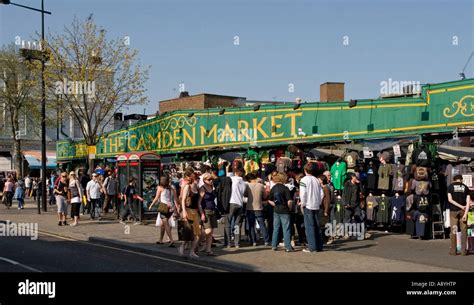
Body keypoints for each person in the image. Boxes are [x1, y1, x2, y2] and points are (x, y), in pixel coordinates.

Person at [178, 169, 204, 258]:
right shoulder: (187, 187)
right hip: (188, 210)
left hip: (195, 211)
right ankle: (182, 246)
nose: (194, 177)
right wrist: (184, 211)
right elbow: (183, 200)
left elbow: (199, 200)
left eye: (194, 176)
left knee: (197, 233)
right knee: (188, 232)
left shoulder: (196, 186)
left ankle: (192, 252)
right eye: (192, 175)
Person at [299, 164, 324, 253]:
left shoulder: (303, 180)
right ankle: (319, 246)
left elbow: (303, 193)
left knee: (309, 227)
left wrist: (303, 202)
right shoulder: (316, 180)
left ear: (305, 170)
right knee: (317, 226)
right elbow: (321, 193)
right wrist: (319, 202)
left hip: (308, 205)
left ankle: (312, 247)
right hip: (316, 205)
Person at [149, 176, 178, 247]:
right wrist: (177, 209)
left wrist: (151, 205)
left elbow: (156, 197)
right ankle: (160, 240)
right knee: (162, 225)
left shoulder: (160, 188)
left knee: (166, 224)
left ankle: (171, 240)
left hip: (164, 208)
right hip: (171, 208)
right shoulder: (172, 188)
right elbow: (175, 199)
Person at [268, 172, 293, 252]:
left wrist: (275, 205)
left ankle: (274, 245)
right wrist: (289, 208)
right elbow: (289, 201)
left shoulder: (273, 188)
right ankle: (288, 247)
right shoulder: (285, 188)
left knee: (276, 228)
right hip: (285, 210)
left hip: (276, 210)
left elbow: (269, 200)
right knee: (286, 229)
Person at [447, 175, 471, 256]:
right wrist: (465, 213)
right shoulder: (466, 187)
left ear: (454, 180)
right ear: (461, 180)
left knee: (453, 230)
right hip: (463, 212)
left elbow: (450, 200)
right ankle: (463, 251)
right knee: (464, 231)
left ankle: (453, 251)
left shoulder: (450, 187)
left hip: (453, 211)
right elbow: (468, 202)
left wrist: (459, 206)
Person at [225, 167, 247, 249]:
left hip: (232, 203)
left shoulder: (232, 179)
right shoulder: (244, 183)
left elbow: (226, 177)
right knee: (237, 225)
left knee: (228, 224)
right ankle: (237, 243)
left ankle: (228, 243)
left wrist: (227, 168)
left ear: (236, 172)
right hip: (240, 204)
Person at [245, 172, 270, 246]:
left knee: (251, 225)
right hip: (259, 207)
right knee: (262, 224)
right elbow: (265, 196)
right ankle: (266, 240)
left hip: (250, 207)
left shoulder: (247, 186)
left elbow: (245, 195)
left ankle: (253, 241)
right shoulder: (261, 186)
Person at [197, 173, 218, 255]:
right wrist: (202, 213)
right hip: (206, 211)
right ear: (204, 180)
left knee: (211, 231)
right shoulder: (202, 189)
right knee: (208, 231)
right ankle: (196, 240)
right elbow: (199, 203)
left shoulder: (212, 187)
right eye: (209, 179)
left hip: (213, 210)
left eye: (212, 179)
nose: (211, 181)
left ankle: (208, 250)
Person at [343, 172, 362, 239]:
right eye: (356, 177)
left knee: (358, 218)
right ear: (352, 177)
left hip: (356, 204)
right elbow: (344, 194)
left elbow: (362, 191)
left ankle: (357, 233)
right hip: (349, 204)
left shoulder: (358, 184)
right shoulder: (347, 184)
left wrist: (360, 184)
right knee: (347, 219)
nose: (357, 179)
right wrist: (345, 203)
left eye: (357, 178)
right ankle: (346, 233)